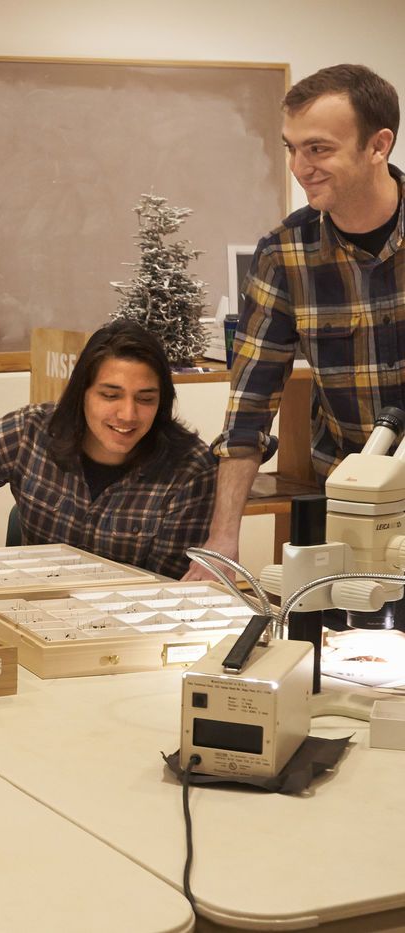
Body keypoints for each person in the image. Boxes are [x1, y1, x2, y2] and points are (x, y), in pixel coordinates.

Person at [188, 63, 403, 580]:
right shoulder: (285, 254)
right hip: (353, 506)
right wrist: (223, 542)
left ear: (378, 146)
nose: (300, 166)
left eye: (319, 148)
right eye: (291, 147)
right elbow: (250, 404)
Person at [0, 320, 217, 578]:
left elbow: (169, 588)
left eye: (145, 399)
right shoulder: (32, 430)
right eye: (110, 396)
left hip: (130, 624)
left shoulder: (189, 470)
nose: (128, 414)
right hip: (29, 607)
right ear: (82, 392)